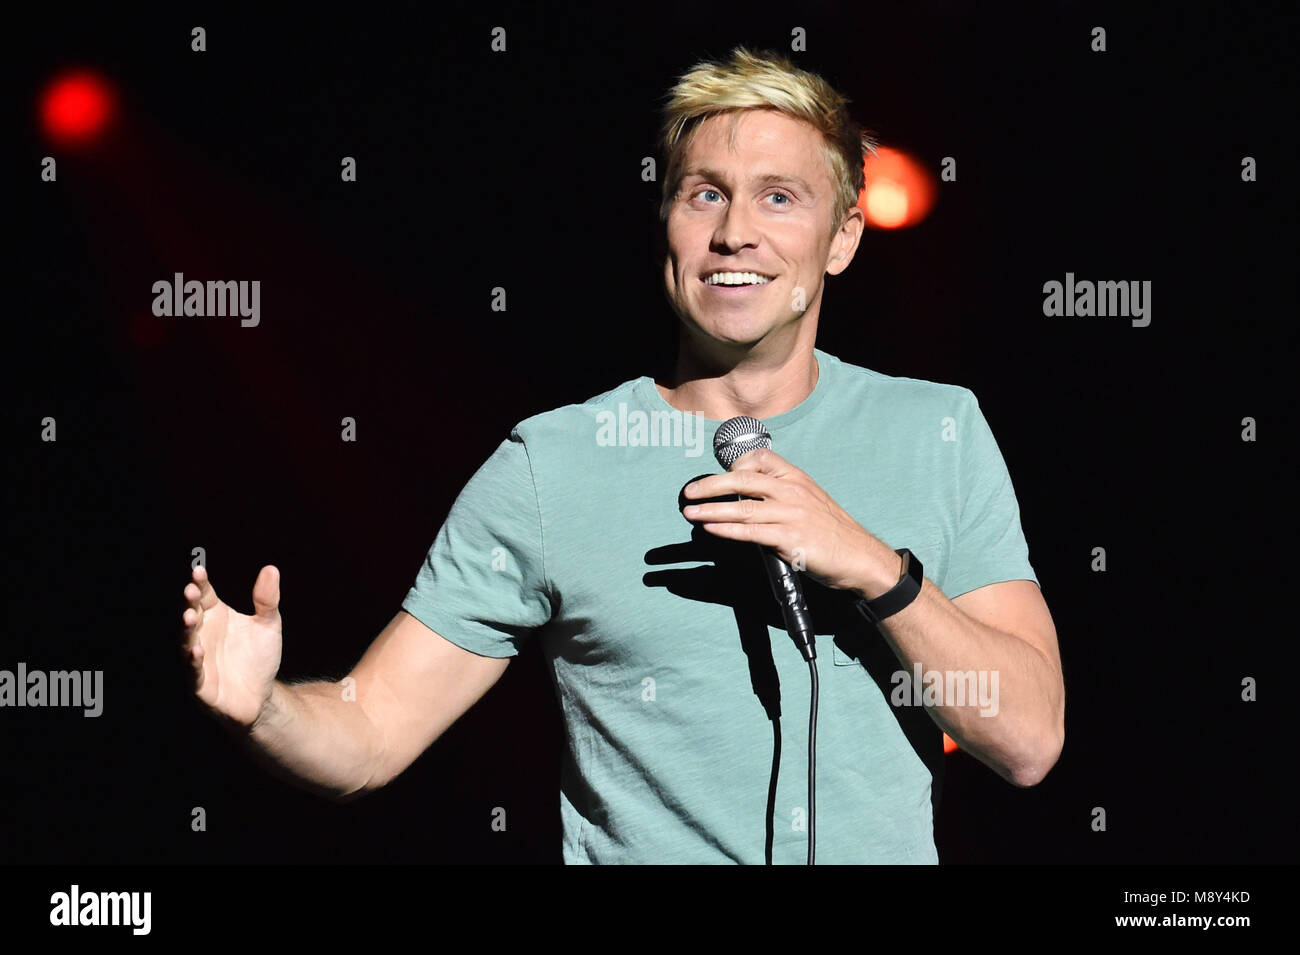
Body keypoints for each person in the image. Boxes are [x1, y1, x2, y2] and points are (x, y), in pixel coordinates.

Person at [181, 47, 1064, 864]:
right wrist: (265, 709)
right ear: (666, 226)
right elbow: (369, 731)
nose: (735, 234)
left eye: (779, 197)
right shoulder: (550, 464)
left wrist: (874, 568)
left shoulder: (938, 428)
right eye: (705, 194)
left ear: (842, 237)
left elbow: (1028, 740)